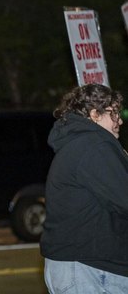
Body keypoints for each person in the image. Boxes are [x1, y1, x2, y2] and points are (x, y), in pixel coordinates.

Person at [40, 84, 128, 293]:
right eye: (114, 113)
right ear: (94, 114)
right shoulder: (94, 144)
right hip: (91, 269)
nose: (120, 120)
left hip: (76, 264)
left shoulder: (79, 143)